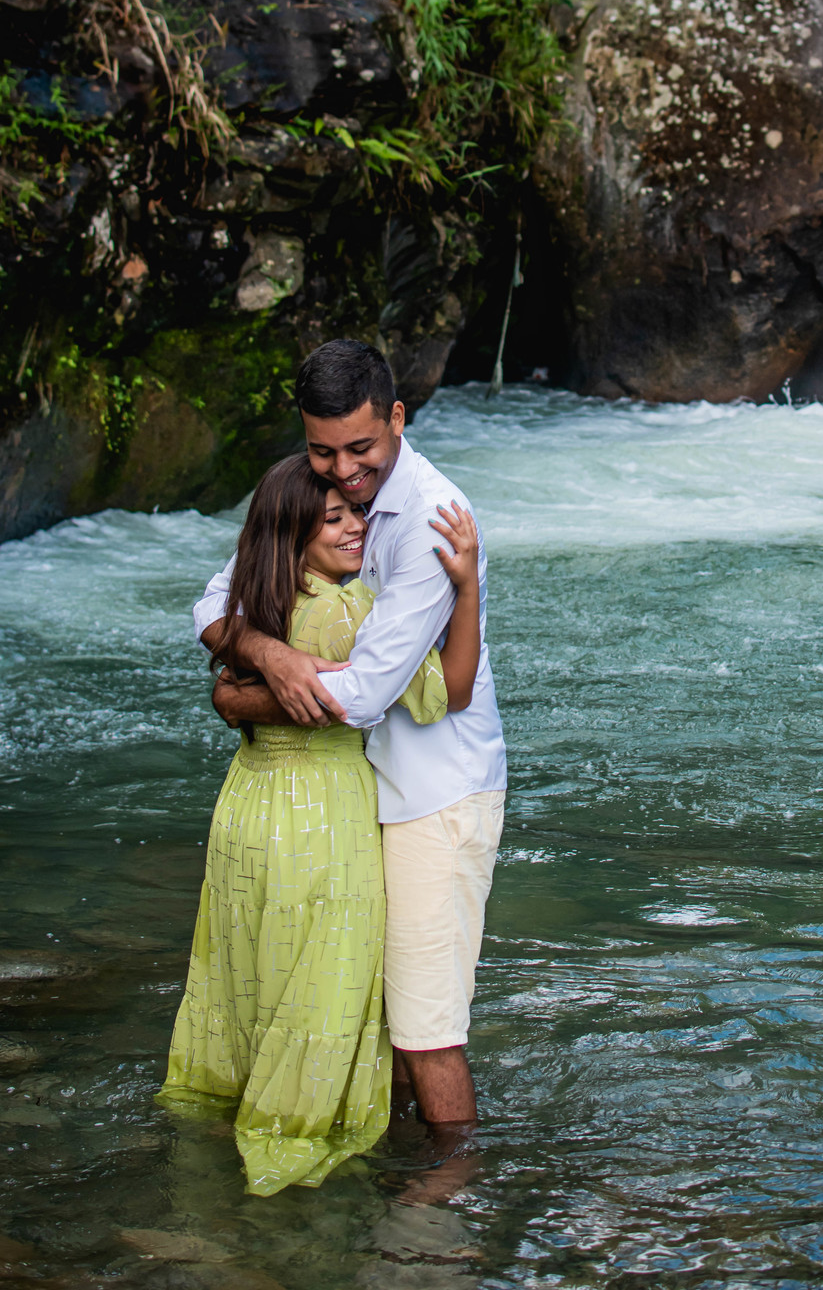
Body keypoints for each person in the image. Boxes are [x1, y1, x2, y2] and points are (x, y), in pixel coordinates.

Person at [196, 339, 507, 1165]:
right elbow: (210, 600)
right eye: (322, 451)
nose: (343, 473)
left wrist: (236, 696)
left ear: (397, 419)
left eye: (361, 450)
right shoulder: (320, 490)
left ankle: (450, 1191)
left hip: (435, 794)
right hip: (358, 796)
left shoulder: (433, 522)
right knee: (382, 1009)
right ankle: (395, 1159)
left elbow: (369, 693)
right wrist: (274, 656)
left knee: (425, 1025)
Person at [159, 452, 482, 1197]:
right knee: (325, 977)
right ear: (294, 533)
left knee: (247, 965)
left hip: (248, 802)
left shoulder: (253, 608)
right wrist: (464, 591)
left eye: (355, 512)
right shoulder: (348, 609)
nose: (356, 526)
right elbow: (449, 692)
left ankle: (220, 1113)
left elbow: (220, 664)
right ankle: (310, 1131)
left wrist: (234, 699)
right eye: (333, 518)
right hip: (324, 812)